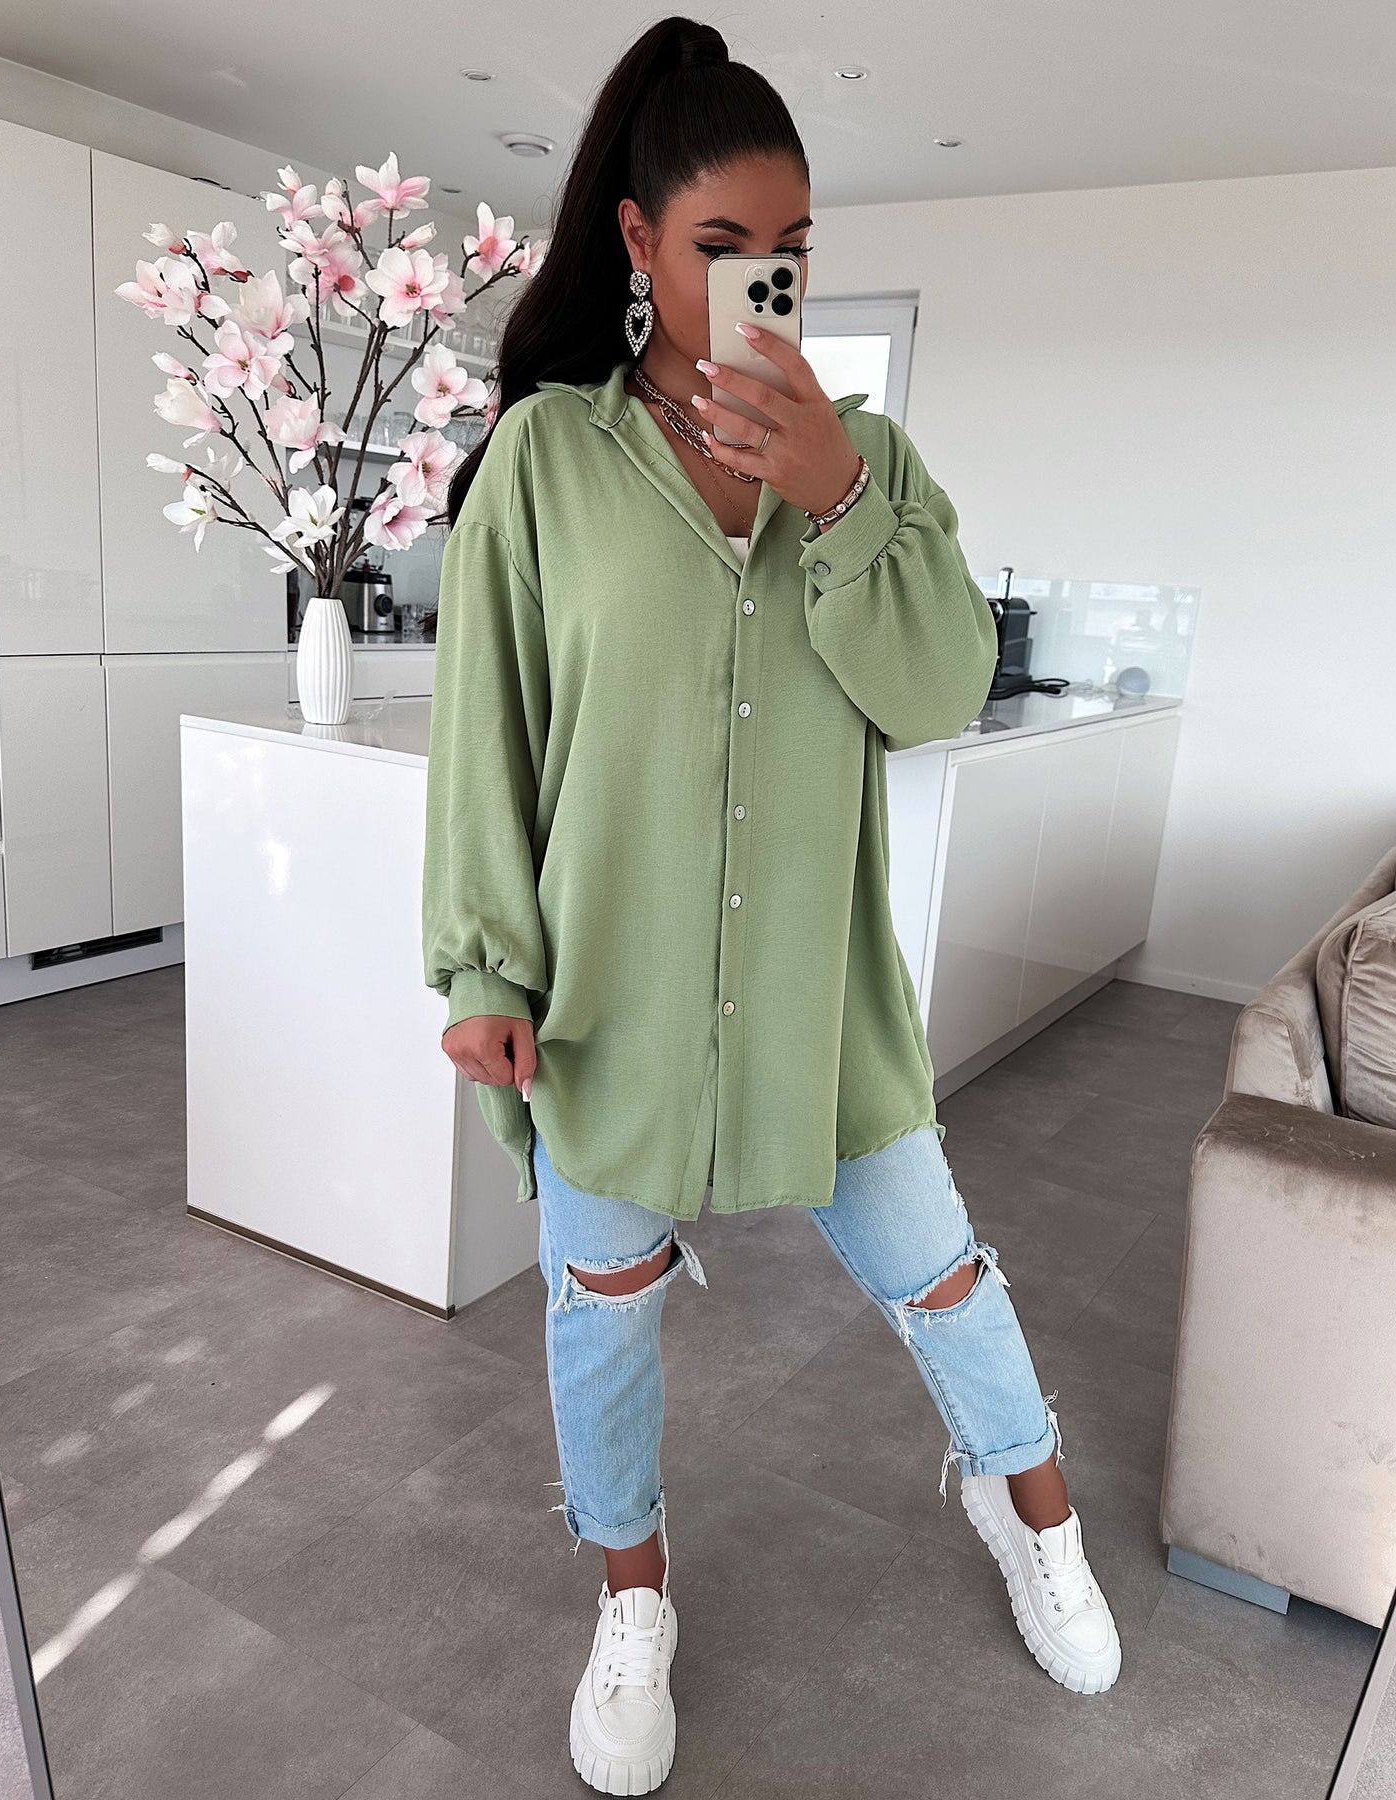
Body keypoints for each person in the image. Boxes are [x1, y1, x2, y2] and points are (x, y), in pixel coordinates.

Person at [422, 16, 1122, 1793]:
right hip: (612, 1001)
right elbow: (488, 734)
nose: (763, 280)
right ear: (640, 244)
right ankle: (632, 1599)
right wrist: (484, 964)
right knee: (603, 1312)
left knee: (945, 1276)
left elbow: (941, 685)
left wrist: (842, 494)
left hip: (823, 1002)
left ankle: (1033, 1511)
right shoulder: (545, 466)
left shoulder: (869, 461)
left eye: (792, 251)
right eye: (723, 245)